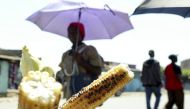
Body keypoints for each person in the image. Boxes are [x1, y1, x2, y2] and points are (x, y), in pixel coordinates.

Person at [59, 22, 103, 100]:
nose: (71, 34)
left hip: (86, 96)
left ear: (81, 35)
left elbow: (97, 71)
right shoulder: (66, 55)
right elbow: (62, 75)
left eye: (75, 32)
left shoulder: (89, 50)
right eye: (70, 32)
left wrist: (81, 62)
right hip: (70, 96)